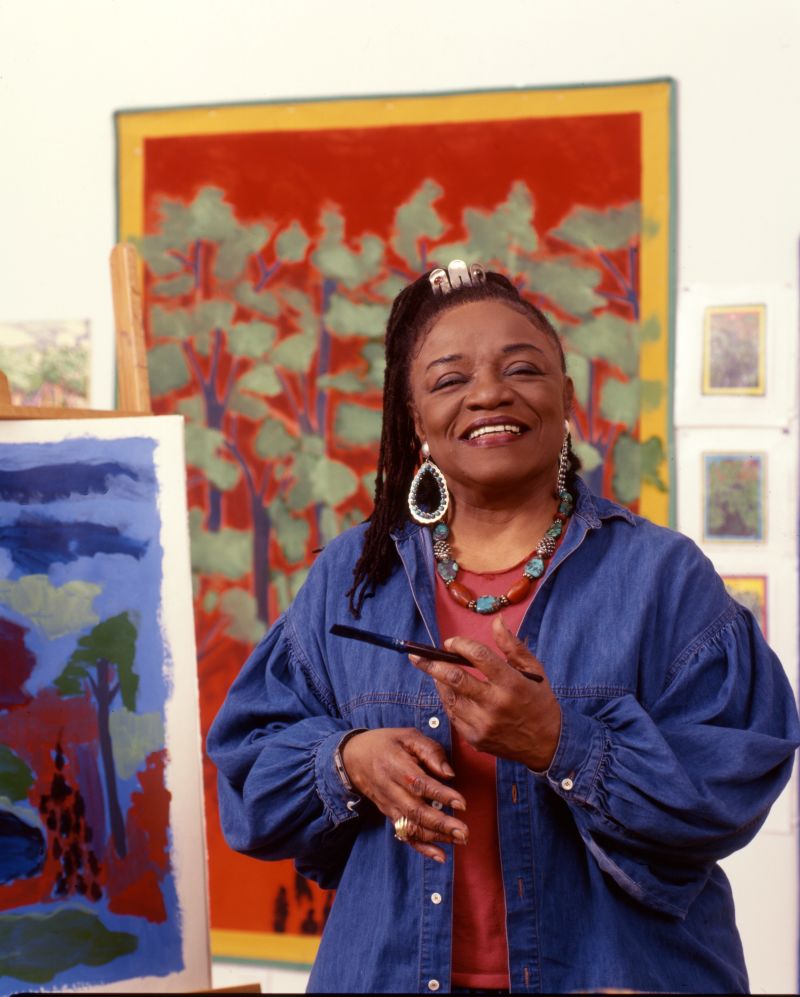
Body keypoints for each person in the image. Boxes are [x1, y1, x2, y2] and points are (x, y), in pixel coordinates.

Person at [207, 261, 800, 994]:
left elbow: (730, 789)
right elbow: (249, 781)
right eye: (450, 380)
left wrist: (560, 742)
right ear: (417, 420)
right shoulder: (351, 579)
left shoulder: (662, 578)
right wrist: (349, 759)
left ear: (566, 397)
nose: (489, 392)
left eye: (523, 368)